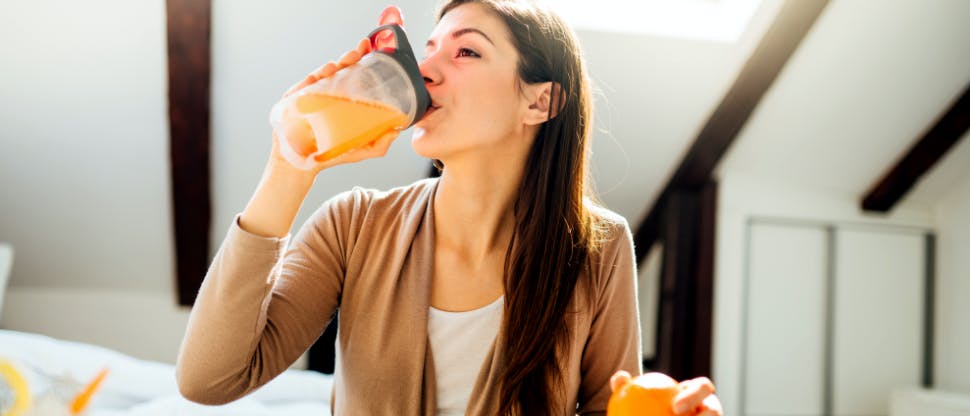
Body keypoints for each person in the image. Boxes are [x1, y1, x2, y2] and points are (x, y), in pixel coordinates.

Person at [176, 1, 723, 415]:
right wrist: (291, 165)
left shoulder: (598, 247)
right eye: (428, 50)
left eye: (466, 51)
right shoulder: (353, 226)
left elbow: (612, 405)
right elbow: (209, 380)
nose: (426, 71)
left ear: (540, 101)